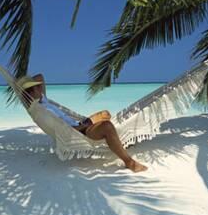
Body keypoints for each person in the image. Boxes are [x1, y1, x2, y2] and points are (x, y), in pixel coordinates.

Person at [17, 74, 148, 173]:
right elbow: (66, 130)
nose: (41, 87)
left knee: (105, 114)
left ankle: (117, 145)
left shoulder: (42, 99)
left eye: (39, 86)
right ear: (31, 93)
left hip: (79, 124)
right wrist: (88, 123)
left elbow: (40, 76)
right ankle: (129, 162)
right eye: (37, 87)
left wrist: (25, 86)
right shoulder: (43, 111)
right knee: (107, 126)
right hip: (78, 131)